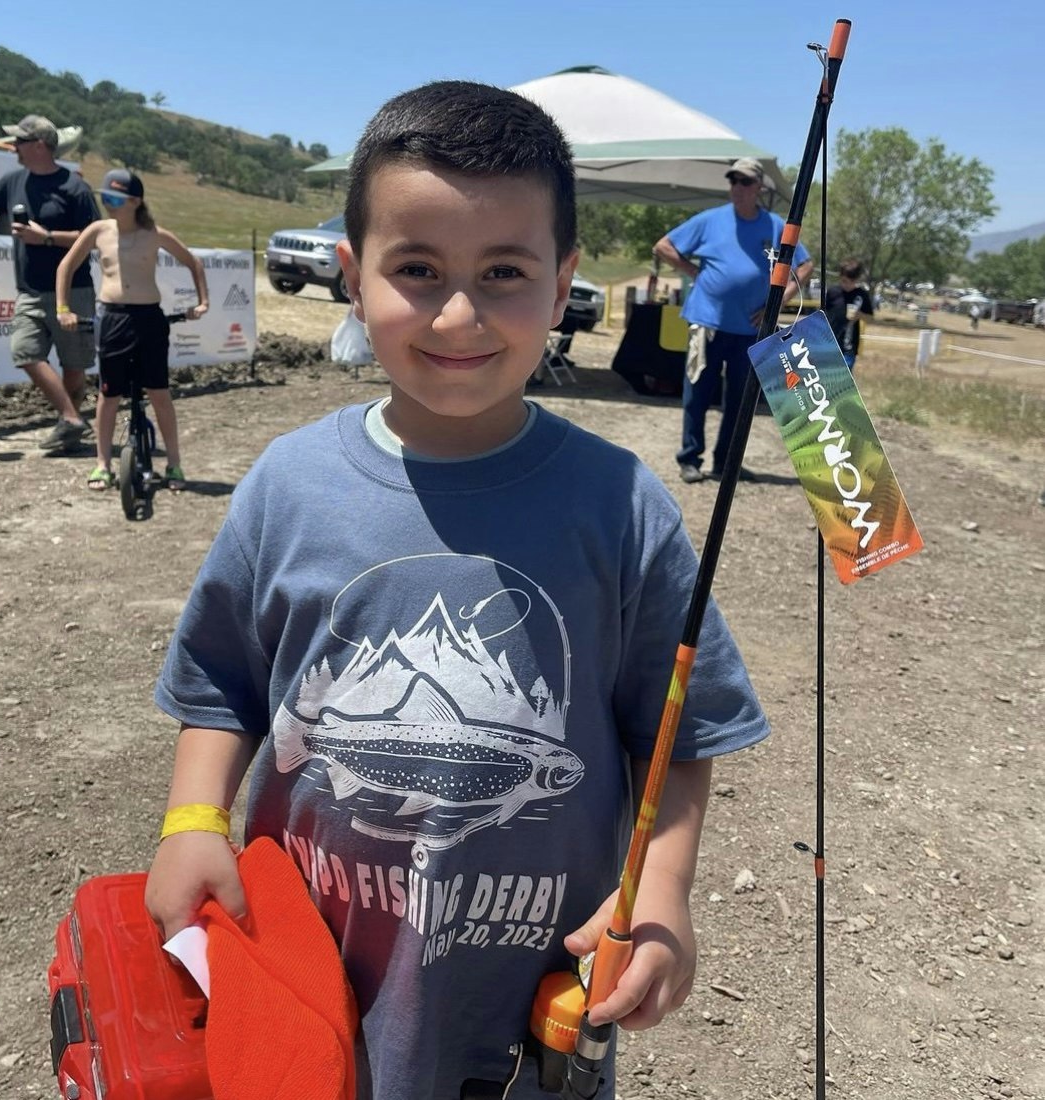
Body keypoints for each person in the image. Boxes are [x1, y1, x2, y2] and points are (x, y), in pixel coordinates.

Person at [145, 80, 770, 1100]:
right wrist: (191, 822)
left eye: (506, 271)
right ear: (353, 276)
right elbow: (220, 684)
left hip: (527, 1016)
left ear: (566, 281)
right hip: (301, 978)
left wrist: (659, 891)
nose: (459, 312)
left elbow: (681, 733)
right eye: (417, 269)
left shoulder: (619, 502)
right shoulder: (288, 483)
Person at [0, 114, 98, 454]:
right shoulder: (13, 181)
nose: (13, 148)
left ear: (39, 146)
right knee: (24, 352)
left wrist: (48, 237)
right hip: (29, 290)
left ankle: (68, 425)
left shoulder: (75, 187)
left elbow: (94, 237)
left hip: (73, 291)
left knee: (74, 367)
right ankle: (70, 417)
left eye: (19, 143)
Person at [654, 156, 814, 484]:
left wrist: (778, 302)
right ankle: (689, 458)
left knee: (740, 401)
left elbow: (805, 265)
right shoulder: (710, 220)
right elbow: (664, 246)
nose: (737, 188)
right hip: (707, 322)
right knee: (697, 392)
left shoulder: (775, 226)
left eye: (744, 182)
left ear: (759, 187)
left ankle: (727, 462)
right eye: (733, 181)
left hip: (751, 329)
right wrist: (693, 271)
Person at [55, 169, 208, 492]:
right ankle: (102, 465)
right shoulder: (98, 230)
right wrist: (62, 309)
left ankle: (175, 464)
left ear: (136, 201)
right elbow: (66, 266)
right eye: (104, 198)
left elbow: (193, 262)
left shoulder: (155, 234)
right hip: (112, 317)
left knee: (159, 392)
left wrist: (202, 302)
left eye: (115, 199)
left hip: (149, 318)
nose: (108, 205)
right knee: (109, 394)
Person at [823, 258, 874, 370]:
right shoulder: (832, 292)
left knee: (843, 382)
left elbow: (870, 318)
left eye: (851, 282)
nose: (847, 285)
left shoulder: (861, 295)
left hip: (848, 348)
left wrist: (859, 315)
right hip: (829, 344)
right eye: (844, 281)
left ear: (856, 280)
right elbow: (823, 314)